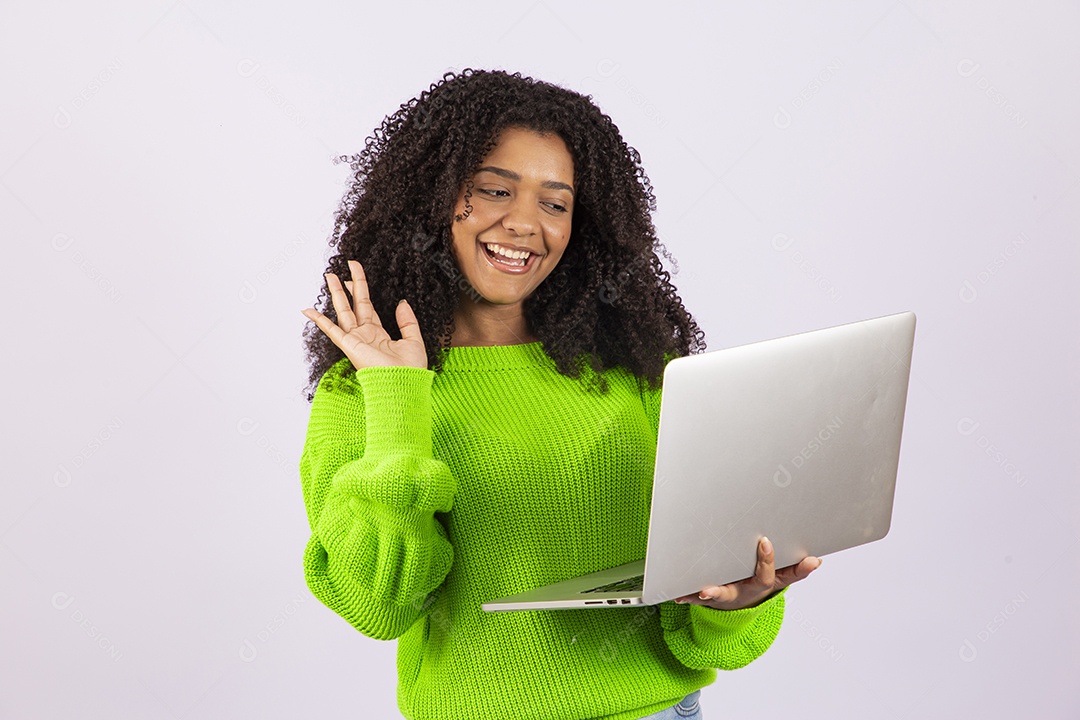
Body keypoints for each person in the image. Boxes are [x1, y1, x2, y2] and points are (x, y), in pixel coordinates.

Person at [299, 68, 822, 720]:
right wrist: (399, 396)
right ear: (432, 196)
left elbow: (707, 631)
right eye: (495, 190)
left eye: (555, 204)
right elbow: (377, 605)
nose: (524, 223)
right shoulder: (368, 391)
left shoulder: (637, 369)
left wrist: (739, 601)